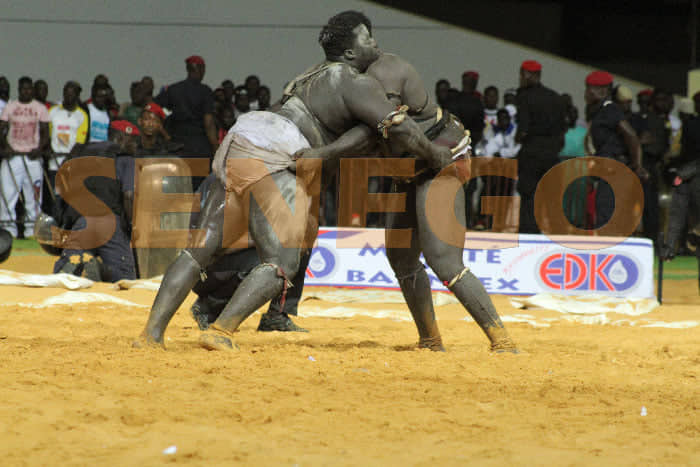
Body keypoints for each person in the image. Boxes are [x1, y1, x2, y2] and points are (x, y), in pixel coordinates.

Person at [133, 10, 462, 351]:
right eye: (368, 38)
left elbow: (361, 135)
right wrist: (432, 152)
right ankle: (221, 330)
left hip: (242, 137)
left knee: (198, 250)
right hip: (278, 150)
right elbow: (397, 126)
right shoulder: (351, 80)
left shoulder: (307, 76)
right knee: (282, 262)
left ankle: (151, 334)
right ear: (350, 53)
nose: (376, 44)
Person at [51, 120, 138, 282]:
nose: (135, 146)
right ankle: (100, 269)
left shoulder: (80, 151)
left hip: (81, 221)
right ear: (119, 138)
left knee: (63, 277)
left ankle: (83, 261)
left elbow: (61, 182)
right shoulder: (125, 158)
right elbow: (128, 195)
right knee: (126, 280)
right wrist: (131, 225)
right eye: (132, 140)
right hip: (110, 224)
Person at [584, 71, 647, 231]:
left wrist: (637, 165)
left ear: (603, 90)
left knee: (607, 210)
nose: (586, 94)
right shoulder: (598, 110)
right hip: (607, 165)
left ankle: (608, 250)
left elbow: (631, 135)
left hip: (614, 166)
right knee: (605, 209)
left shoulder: (609, 108)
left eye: (590, 89)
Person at [515, 59, 567, 233]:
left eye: (522, 74)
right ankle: (555, 231)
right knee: (551, 195)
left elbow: (523, 129)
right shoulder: (555, 97)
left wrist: (519, 139)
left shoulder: (524, 96)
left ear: (530, 75)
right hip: (551, 152)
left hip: (532, 151)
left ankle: (529, 233)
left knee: (529, 194)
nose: (521, 78)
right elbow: (562, 130)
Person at [0, 76, 50, 238]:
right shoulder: (10, 107)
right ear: (19, 89)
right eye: (23, 89)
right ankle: (8, 231)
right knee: (7, 194)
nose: (26, 91)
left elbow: (45, 132)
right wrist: (5, 147)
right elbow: (1, 129)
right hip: (13, 156)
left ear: (33, 90)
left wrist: (39, 148)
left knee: (34, 195)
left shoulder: (40, 108)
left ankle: (31, 232)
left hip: (32, 158)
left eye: (29, 89)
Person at [155, 55, 218, 162]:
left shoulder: (173, 89)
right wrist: (216, 147)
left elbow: (152, 110)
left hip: (177, 145)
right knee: (200, 177)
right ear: (201, 69)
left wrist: (165, 135)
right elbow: (209, 123)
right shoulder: (205, 91)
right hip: (200, 146)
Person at [45, 81, 89, 216]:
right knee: (55, 198)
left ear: (77, 95)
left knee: (70, 198)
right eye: (66, 93)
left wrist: (68, 160)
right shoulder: (53, 111)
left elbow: (80, 143)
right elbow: (46, 133)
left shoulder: (82, 115)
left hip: (71, 163)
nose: (68, 96)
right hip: (54, 163)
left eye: (71, 94)